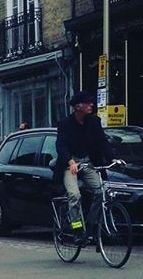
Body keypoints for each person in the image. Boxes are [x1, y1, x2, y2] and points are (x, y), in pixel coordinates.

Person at [55, 91, 123, 245]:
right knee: (74, 195)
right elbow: (61, 146)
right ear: (78, 106)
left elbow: (102, 143)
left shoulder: (94, 121)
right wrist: (70, 161)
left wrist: (113, 158)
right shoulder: (65, 124)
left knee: (100, 191)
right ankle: (77, 228)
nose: (92, 104)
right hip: (70, 164)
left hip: (88, 163)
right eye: (88, 102)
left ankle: (92, 225)